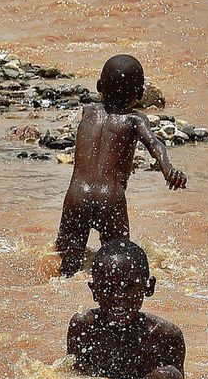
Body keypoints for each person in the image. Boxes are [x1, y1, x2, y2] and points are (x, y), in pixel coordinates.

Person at [55, 55, 187, 277]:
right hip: (110, 199)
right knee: (118, 264)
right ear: (140, 94)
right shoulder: (135, 120)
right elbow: (155, 144)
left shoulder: (88, 112)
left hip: (76, 196)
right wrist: (168, 170)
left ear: (99, 86)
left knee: (66, 266)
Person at [67, 242, 185, 379]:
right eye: (107, 287)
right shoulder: (84, 327)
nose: (117, 297)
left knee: (169, 376)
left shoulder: (166, 337)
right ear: (94, 291)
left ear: (149, 287)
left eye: (129, 286)